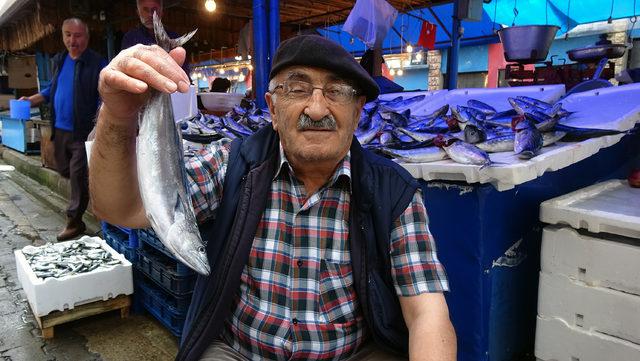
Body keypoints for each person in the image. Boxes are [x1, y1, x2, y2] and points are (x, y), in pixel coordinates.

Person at [90, 35, 456, 360]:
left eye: (337, 92)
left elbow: (427, 313)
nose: (316, 109)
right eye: (297, 89)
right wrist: (117, 116)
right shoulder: (233, 165)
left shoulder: (393, 191)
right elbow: (121, 208)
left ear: (358, 111)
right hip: (240, 351)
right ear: (272, 108)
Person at [21, 18, 106, 241]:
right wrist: (30, 100)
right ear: (62, 36)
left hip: (83, 131)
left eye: (77, 35)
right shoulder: (60, 61)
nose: (72, 40)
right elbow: (51, 90)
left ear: (86, 37)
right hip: (60, 130)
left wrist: (99, 126)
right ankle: (84, 194)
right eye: (68, 34)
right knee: (65, 170)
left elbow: (105, 96)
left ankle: (74, 222)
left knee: (77, 176)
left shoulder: (97, 63)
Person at [121, 0, 189, 74]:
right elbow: (125, 68)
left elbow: (184, 70)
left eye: (154, 10)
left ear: (162, 13)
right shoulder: (130, 38)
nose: (150, 14)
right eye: (145, 9)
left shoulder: (174, 37)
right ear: (138, 13)